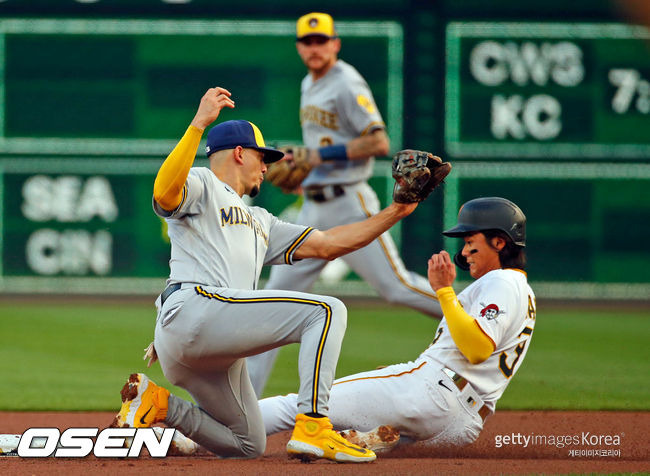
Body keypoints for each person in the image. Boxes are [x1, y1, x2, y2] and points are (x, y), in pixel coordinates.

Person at [111, 86, 431, 463]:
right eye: (262, 157)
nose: (267, 166)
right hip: (194, 309)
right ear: (240, 153)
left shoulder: (262, 220)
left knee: (247, 444)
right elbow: (165, 192)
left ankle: (157, 403)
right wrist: (198, 124)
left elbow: (329, 244)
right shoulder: (203, 183)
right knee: (325, 312)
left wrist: (396, 212)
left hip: (200, 343)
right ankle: (313, 426)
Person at [247, 11, 443, 397]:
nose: (315, 48)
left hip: (351, 204)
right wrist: (304, 175)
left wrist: (315, 159)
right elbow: (317, 151)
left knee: (397, 287)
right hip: (314, 209)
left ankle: (480, 317)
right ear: (300, 47)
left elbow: (378, 142)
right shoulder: (309, 82)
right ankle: (241, 411)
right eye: (308, 41)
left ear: (335, 43)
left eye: (322, 41)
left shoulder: (346, 82)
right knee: (269, 306)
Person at [258, 197, 537, 451]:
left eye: (470, 241)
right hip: (463, 423)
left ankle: (217, 431)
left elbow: (477, 349)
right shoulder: (522, 290)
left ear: (499, 242)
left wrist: (443, 290)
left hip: (431, 393)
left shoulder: (501, 281)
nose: (463, 253)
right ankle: (367, 436)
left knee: (303, 405)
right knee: (348, 438)